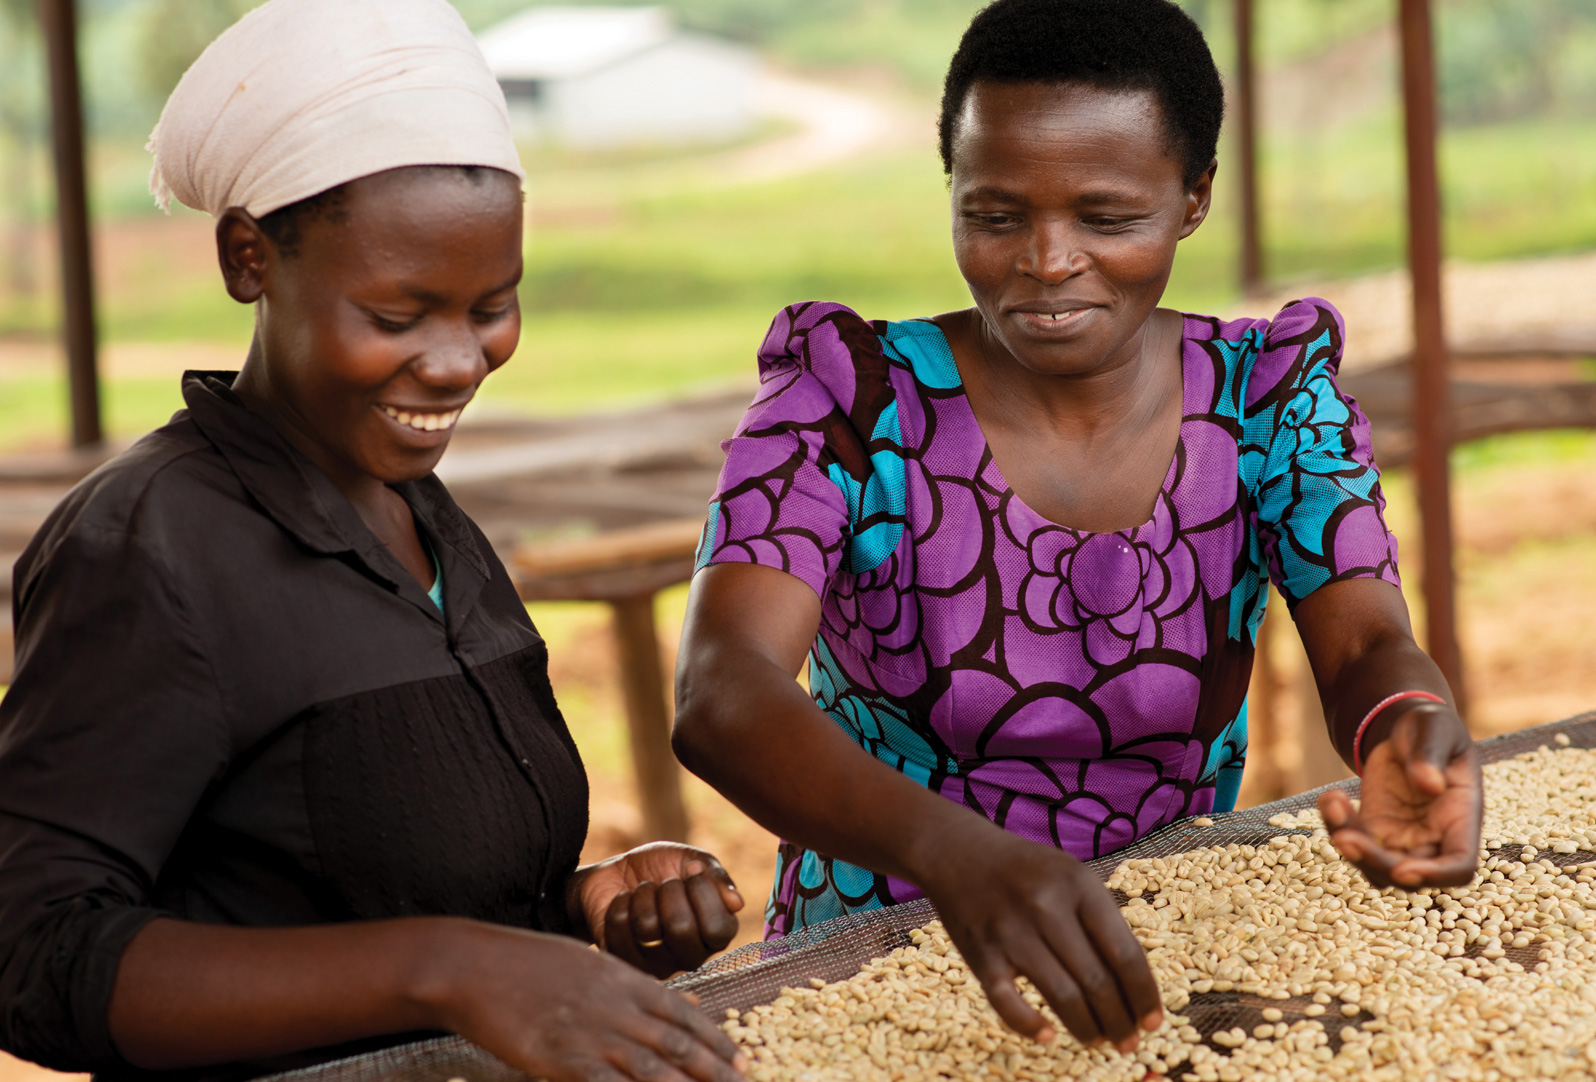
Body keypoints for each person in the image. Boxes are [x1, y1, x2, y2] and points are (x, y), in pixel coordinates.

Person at [672, 0, 1484, 1059]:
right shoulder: (850, 402)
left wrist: (1405, 725)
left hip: (1171, 960)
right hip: (877, 961)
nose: (1048, 262)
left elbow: (1367, 640)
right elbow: (722, 691)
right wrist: (955, 856)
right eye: (996, 215)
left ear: (1193, 198)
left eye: (1107, 217)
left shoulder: (1267, 401)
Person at [0, 3, 747, 1081]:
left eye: (493, 305)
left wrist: (585, 902)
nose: (456, 362)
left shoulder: (421, 514)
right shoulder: (151, 547)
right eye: (399, 316)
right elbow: (33, 948)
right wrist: (442, 964)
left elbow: (378, 866)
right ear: (249, 259)